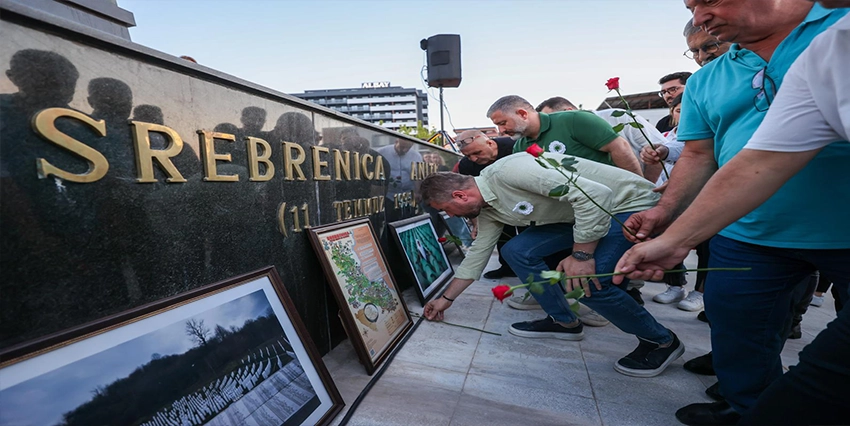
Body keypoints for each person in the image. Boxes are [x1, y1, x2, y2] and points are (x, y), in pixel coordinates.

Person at [613, 1, 849, 424]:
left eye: (709, 0)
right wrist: (672, 231)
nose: (702, 17)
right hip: (748, 234)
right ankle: (745, 406)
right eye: (692, 7)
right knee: (738, 328)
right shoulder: (710, 81)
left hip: (843, 232)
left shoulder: (835, 34)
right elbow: (760, 159)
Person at [421, 153, 684, 378]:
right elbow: (478, 254)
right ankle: (564, 321)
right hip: (582, 214)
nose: (452, 216)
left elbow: (596, 194)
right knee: (516, 250)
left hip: (625, 205)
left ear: (460, 195)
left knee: (588, 282)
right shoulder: (487, 206)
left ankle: (661, 341)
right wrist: (446, 299)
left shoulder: (508, 172)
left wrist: (582, 256)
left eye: (449, 209)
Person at [487, 95, 644, 177]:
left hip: (615, 202)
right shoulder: (520, 147)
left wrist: (639, 191)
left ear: (522, 114)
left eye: (503, 123)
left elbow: (620, 147)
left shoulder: (574, 120)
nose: (501, 131)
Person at [536, 96, 668, 182]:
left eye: (553, 119)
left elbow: (657, 149)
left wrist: (648, 189)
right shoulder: (561, 137)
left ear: (569, 111)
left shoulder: (618, 117)